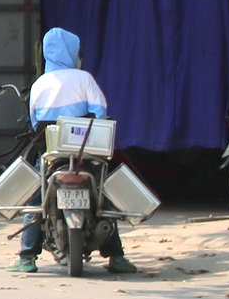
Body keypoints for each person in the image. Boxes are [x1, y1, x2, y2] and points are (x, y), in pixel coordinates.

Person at [16, 28, 139, 275]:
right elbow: (101, 112)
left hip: (52, 153)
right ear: (72, 53)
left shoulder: (40, 84)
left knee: (35, 200)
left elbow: (33, 121)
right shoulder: (84, 79)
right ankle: (116, 257)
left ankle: (27, 258)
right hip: (86, 152)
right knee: (103, 197)